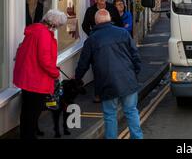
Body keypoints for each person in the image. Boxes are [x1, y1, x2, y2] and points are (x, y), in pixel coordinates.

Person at [75, 9, 143, 139]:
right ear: (109, 19)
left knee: (110, 114)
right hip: (128, 79)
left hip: (106, 82)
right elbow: (135, 55)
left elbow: (83, 64)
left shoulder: (91, 40)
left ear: (96, 22)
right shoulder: (123, 33)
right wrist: (134, 73)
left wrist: (77, 78)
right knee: (131, 111)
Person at [13, 10, 68, 139]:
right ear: (54, 24)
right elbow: (44, 60)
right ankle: (29, 136)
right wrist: (55, 73)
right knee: (33, 112)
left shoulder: (35, 30)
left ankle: (26, 135)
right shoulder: (44, 34)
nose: (57, 29)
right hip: (36, 80)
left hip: (27, 77)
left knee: (27, 111)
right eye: (59, 26)